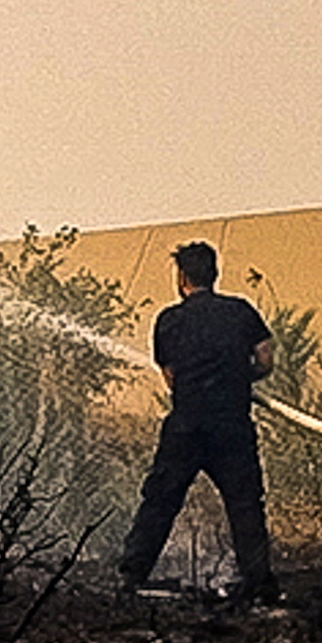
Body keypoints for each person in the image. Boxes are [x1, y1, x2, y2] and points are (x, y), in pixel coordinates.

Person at [115, 240, 281, 608]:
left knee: (160, 500)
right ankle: (260, 584)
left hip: (186, 427)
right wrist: (240, 378)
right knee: (245, 505)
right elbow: (266, 360)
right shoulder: (240, 312)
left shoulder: (169, 320)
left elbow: (171, 377)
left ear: (182, 277)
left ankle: (131, 575)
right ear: (215, 273)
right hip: (232, 426)